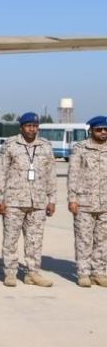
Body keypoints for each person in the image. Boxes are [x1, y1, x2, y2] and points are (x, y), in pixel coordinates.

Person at [0, 112, 56, 287]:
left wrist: (52, 199)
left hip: (38, 202)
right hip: (14, 202)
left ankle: (33, 273)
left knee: (35, 240)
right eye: (28, 126)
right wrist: (0, 199)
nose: (32, 129)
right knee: (11, 239)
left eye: (35, 126)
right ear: (21, 127)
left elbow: (51, 174)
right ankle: (10, 273)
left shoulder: (45, 146)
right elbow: (1, 173)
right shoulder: (10, 145)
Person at [68, 115, 107, 288]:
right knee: (84, 239)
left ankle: (99, 272)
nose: (103, 132)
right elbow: (73, 174)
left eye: (106, 129)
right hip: (84, 202)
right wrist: (72, 199)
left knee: (103, 240)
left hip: (105, 203)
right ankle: (83, 273)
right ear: (91, 130)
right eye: (99, 130)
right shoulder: (80, 148)